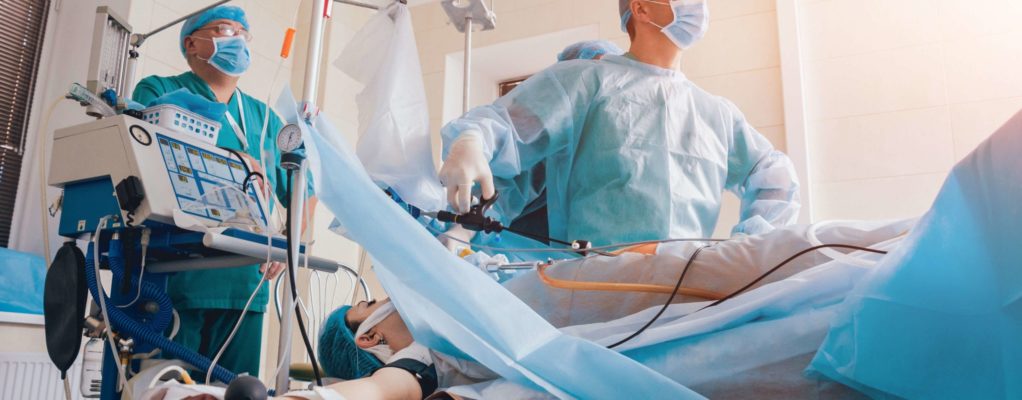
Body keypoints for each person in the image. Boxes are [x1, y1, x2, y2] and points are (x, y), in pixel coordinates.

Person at [437, 0, 801, 251]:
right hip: (595, 282)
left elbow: (775, 174)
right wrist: (471, 140)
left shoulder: (717, 113)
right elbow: (504, 124)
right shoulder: (586, 81)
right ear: (640, 8)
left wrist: (749, 246)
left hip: (688, 285)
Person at [132, 5, 313, 377]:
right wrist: (236, 160)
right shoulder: (160, 89)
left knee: (234, 389)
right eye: (225, 30)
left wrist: (287, 240)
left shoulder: (265, 119)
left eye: (243, 35)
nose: (239, 41)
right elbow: (154, 150)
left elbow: (302, 189)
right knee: (165, 386)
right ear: (193, 43)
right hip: (176, 275)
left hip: (247, 284)